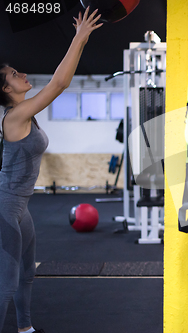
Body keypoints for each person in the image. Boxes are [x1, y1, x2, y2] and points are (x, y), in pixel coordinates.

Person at [0, 8, 102, 333]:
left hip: (21, 208)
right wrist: (80, 38)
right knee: (7, 279)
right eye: (15, 74)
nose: (22, 74)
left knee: (27, 273)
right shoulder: (14, 118)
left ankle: (25, 329)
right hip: (4, 207)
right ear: (6, 89)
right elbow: (59, 84)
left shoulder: (27, 114)